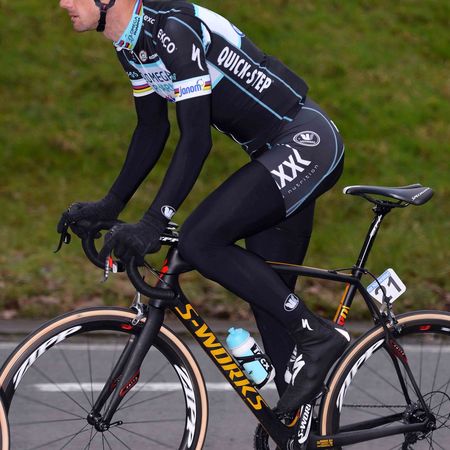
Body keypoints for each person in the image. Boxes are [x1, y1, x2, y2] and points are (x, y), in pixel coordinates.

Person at [57, 0, 350, 437]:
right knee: (270, 305)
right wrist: (110, 205)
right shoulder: (132, 43)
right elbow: (152, 129)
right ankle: (309, 434)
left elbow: (195, 140)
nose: (63, 3)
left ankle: (320, 336)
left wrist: (154, 221)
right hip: (273, 150)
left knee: (199, 240)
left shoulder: (173, 30)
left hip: (304, 140)